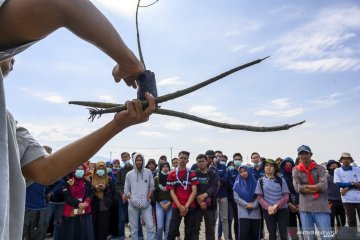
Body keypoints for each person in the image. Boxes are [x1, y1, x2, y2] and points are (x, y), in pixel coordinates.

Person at [0, 0, 156, 237]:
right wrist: (129, 62)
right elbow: (59, 3)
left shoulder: (7, 125)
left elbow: (46, 170)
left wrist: (118, 124)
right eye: (13, 54)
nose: (15, 59)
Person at [292, 145, 332, 240]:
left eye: (306, 153)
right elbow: (297, 188)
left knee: (326, 236)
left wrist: (305, 186)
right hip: (305, 208)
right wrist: (315, 187)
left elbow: (323, 187)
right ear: (299, 156)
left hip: (321, 207)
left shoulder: (320, 169)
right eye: (301, 154)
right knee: (308, 237)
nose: (304, 155)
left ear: (311, 154)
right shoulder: (296, 170)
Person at [167, 151, 199, 240]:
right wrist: (180, 207)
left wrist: (186, 206)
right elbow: (171, 192)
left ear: (188, 161)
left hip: (190, 206)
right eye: (181, 158)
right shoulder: (171, 174)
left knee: (188, 232)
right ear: (178, 159)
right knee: (172, 231)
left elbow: (194, 191)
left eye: (185, 158)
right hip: (176, 206)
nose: (183, 160)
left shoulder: (192, 174)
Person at [255, 159, 289, 240]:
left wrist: (276, 206)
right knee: (272, 234)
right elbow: (259, 197)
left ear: (275, 168)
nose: (268, 167)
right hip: (268, 211)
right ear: (263, 168)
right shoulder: (260, 180)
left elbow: (286, 196)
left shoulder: (281, 180)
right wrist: (269, 207)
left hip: (282, 210)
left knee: (284, 234)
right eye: (266, 165)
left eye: (271, 166)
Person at [124, 153, 156, 240]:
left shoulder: (148, 172)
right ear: (134, 160)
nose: (138, 162)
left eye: (140, 160)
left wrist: (148, 198)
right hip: (132, 204)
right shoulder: (129, 174)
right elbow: (126, 189)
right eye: (137, 160)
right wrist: (132, 198)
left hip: (145, 204)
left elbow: (152, 187)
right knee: (134, 229)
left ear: (143, 160)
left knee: (150, 226)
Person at [60, 164, 95, 240]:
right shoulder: (69, 182)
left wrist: (87, 202)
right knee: (71, 233)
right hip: (72, 210)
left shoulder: (87, 182)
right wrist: (78, 204)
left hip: (85, 209)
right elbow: (67, 197)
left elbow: (92, 193)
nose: (80, 171)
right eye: (78, 169)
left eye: (82, 169)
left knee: (84, 232)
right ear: (74, 171)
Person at [115, 152, 144, 240]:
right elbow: (118, 184)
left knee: (136, 219)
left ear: (130, 158)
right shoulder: (120, 171)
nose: (124, 158)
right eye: (123, 157)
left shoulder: (136, 169)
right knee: (122, 219)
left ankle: (139, 236)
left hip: (134, 198)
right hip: (123, 198)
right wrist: (123, 194)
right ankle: (121, 236)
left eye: (126, 157)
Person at [193, 154, 219, 240]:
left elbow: (214, 186)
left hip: (210, 204)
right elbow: (193, 187)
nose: (201, 163)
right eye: (199, 162)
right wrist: (200, 201)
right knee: (195, 228)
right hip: (197, 204)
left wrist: (205, 195)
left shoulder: (213, 172)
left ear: (206, 161)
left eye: (203, 161)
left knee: (210, 229)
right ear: (197, 163)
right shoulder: (194, 173)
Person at [233, 165, 261, 240]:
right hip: (243, 212)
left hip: (255, 212)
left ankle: (293, 236)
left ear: (248, 171)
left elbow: (259, 196)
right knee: (243, 234)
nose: (243, 173)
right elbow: (236, 198)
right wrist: (246, 204)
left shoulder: (256, 183)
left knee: (255, 234)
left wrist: (254, 205)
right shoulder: (237, 184)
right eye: (241, 172)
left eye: (245, 171)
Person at [334, 152, 360, 228]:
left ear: (351, 160)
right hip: (347, 199)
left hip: (359, 198)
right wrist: (353, 184)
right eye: (344, 159)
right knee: (351, 220)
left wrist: (348, 187)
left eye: (348, 159)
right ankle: (354, 236)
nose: (346, 160)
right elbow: (339, 184)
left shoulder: (357, 169)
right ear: (341, 161)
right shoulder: (337, 170)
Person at [91, 161, 114, 240]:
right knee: (94, 225)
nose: (100, 170)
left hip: (105, 205)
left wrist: (105, 189)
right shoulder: (91, 178)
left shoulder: (109, 179)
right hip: (93, 205)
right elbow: (88, 192)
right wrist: (95, 188)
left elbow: (112, 193)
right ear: (95, 169)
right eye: (99, 168)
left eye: (102, 168)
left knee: (103, 226)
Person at [280, 157, 301, 238]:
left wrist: (300, 203)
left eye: (290, 165)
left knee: (304, 225)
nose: (288, 166)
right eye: (286, 165)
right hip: (288, 206)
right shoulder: (280, 178)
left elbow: (300, 190)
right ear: (283, 166)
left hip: (300, 205)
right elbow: (281, 193)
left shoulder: (298, 176)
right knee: (292, 227)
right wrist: (289, 204)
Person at [154, 162, 173, 240]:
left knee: (168, 227)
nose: (165, 168)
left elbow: (174, 192)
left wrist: (168, 203)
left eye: (167, 166)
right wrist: (162, 204)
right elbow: (155, 193)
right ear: (161, 168)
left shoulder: (172, 177)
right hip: (159, 204)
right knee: (160, 226)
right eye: (163, 166)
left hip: (170, 204)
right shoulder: (156, 178)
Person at [214, 150, 229, 240]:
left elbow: (226, 179)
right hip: (213, 196)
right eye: (217, 156)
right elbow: (211, 180)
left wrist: (217, 180)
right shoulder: (210, 167)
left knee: (224, 218)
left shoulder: (223, 166)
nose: (219, 157)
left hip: (223, 195)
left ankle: (226, 238)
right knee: (213, 218)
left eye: (220, 156)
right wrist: (219, 180)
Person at [326, 159, 346, 229]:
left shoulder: (342, 176)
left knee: (342, 221)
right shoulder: (326, 176)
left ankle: (340, 235)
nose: (334, 168)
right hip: (330, 202)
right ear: (328, 167)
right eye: (332, 166)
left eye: (336, 166)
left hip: (341, 202)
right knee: (330, 221)